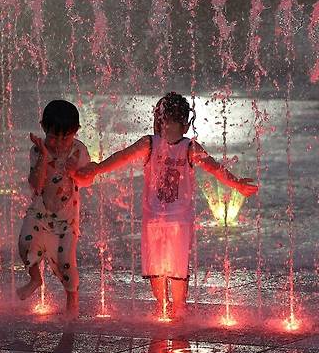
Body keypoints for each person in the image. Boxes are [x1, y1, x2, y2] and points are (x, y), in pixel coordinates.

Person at [77, 92, 258, 318]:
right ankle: (176, 307)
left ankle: (166, 306)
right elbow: (215, 168)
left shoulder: (162, 145)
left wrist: (97, 168)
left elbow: (120, 157)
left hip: (161, 219)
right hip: (171, 220)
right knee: (173, 268)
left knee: (160, 268)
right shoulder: (170, 145)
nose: (164, 127)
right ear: (184, 124)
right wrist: (237, 184)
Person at [17, 100, 93, 319]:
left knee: (66, 261)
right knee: (24, 243)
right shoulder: (37, 150)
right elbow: (36, 184)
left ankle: (72, 299)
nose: (59, 143)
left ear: (76, 131)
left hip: (66, 219)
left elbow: (88, 180)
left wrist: (77, 173)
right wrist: (43, 154)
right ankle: (35, 279)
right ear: (44, 127)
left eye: (65, 137)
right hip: (39, 213)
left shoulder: (79, 150)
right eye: (53, 137)